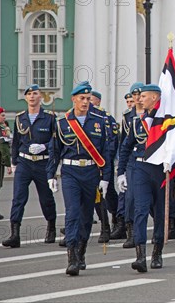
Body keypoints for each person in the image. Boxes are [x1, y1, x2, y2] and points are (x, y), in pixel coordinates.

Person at [46, 81, 112, 276]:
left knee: (85, 216)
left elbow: (106, 152)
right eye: (82, 98)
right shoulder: (62, 123)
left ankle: (81, 251)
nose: (85, 102)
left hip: (91, 173)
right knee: (73, 212)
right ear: (73, 99)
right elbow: (54, 151)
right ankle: (72, 257)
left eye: (88, 99)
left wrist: (106, 177)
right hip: (70, 173)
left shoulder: (99, 122)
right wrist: (50, 174)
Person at [118, 83, 167, 272]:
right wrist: (121, 172)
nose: (139, 99)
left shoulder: (166, 121)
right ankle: (141, 256)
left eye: (144, 96)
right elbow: (126, 147)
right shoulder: (137, 122)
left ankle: (157, 252)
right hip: (140, 168)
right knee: (140, 210)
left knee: (160, 211)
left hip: (160, 170)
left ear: (154, 98)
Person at [3, 84, 57, 248]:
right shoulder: (20, 118)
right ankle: (15, 233)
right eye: (29, 94)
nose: (32, 97)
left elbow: (56, 141)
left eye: (35, 93)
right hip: (25, 162)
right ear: (25, 98)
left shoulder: (49, 117)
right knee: (18, 198)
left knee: (46, 198)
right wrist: (13, 162)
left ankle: (51, 226)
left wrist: (45, 147)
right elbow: (16, 142)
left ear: (41, 97)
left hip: (42, 162)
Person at [89, 90, 120, 243]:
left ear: (98, 101)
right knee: (90, 196)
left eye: (91, 99)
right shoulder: (77, 117)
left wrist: (108, 159)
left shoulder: (105, 117)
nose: (87, 102)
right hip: (86, 164)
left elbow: (112, 140)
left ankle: (114, 217)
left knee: (106, 193)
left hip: (102, 160)